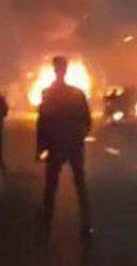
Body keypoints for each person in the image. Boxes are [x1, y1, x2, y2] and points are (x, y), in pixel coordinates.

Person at [37, 56, 93, 240]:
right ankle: (86, 223)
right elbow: (87, 119)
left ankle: (46, 220)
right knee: (80, 182)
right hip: (74, 143)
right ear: (66, 70)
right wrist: (79, 135)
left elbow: (42, 122)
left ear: (55, 70)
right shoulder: (77, 93)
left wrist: (41, 148)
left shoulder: (48, 93)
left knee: (51, 183)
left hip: (55, 144)